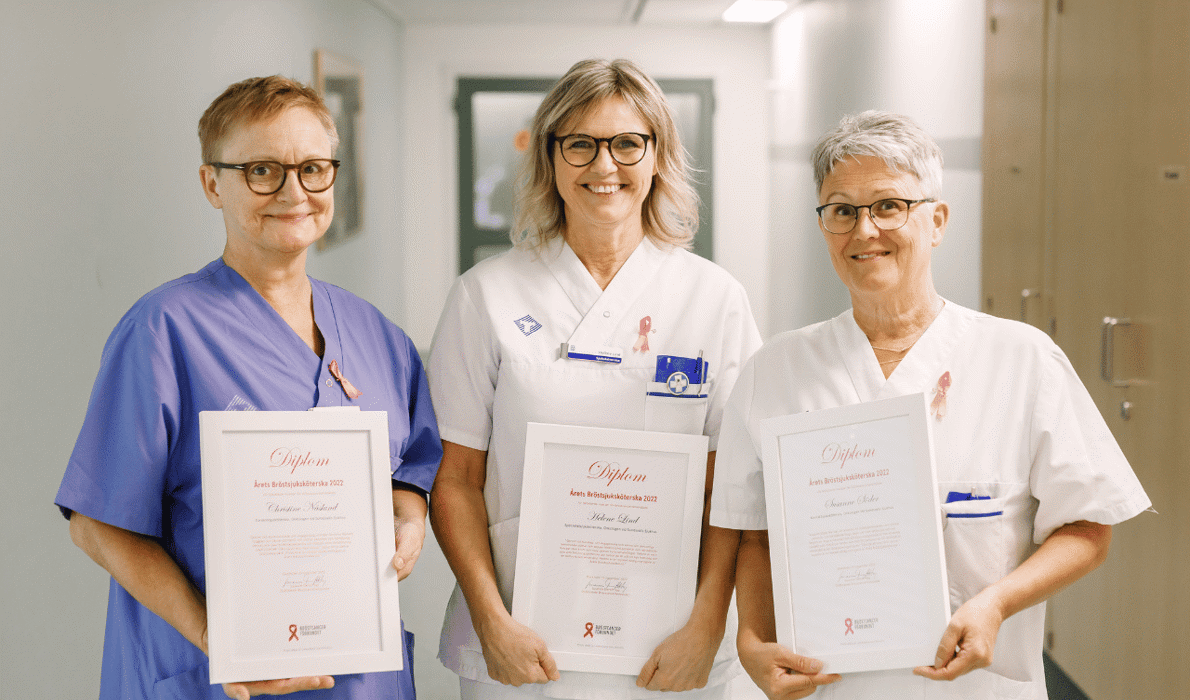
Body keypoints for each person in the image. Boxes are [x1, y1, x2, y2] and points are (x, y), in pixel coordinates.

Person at [710, 110, 1151, 700]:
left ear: (936, 220)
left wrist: (996, 604)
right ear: (824, 225)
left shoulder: (1021, 359)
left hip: (977, 689)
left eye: (889, 206)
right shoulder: (777, 371)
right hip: (831, 685)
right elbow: (756, 536)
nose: (864, 231)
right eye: (841, 210)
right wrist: (752, 639)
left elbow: (1089, 528)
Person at [54, 76, 442, 700]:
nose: (294, 192)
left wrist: (408, 518)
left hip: (358, 674)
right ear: (213, 184)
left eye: (313, 168)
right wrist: (219, 642)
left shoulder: (378, 336)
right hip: (213, 674)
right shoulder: (162, 330)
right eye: (263, 170)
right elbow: (98, 523)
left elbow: (412, 469)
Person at [428, 58, 762, 700]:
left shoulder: (713, 299)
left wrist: (706, 624)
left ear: (658, 156)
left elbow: (734, 487)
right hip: (521, 639)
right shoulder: (486, 296)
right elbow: (456, 477)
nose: (603, 166)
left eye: (627, 144)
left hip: (667, 644)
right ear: (550, 158)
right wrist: (491, 620)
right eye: (579, 144)